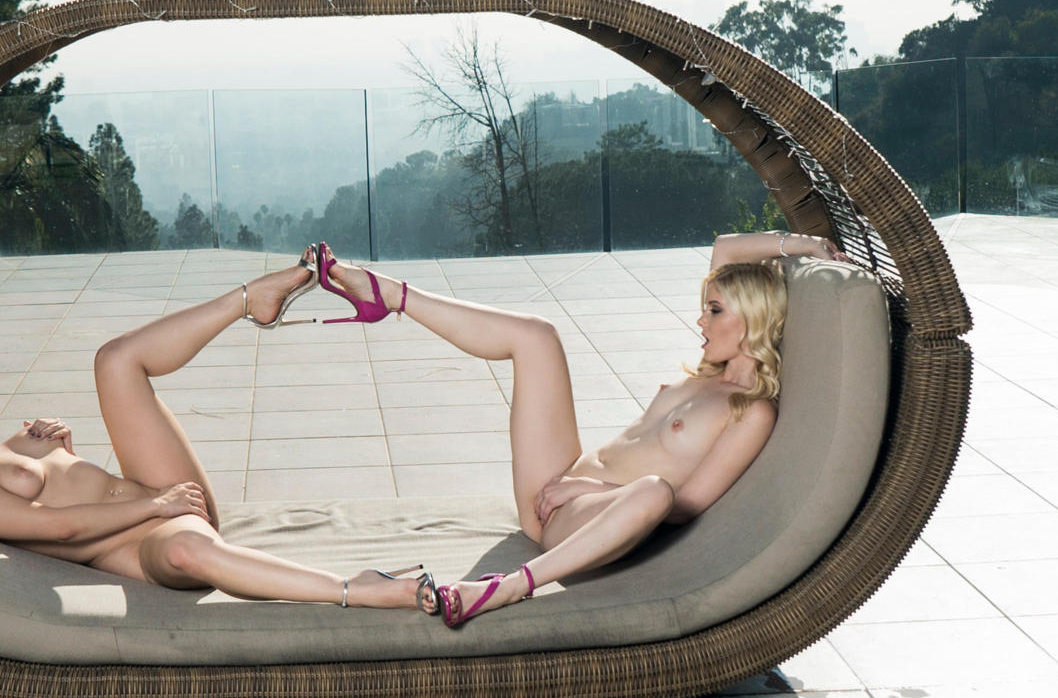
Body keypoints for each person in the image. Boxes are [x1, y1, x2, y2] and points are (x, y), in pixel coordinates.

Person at [309, 231, 847, 627]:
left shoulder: (751, 411)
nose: (699, 321)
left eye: (714, 311)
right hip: (561, 485)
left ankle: (506, 589)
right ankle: (390, 295)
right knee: (537, 336)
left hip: (590, 518)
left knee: (655, 491)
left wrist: (589, 489)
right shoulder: (710, 372)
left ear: (752, 320)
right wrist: (806, 246)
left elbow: (683, 505)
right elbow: (728, 248)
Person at [0, 247, 431, 610]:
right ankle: (354, 589)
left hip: (164, 496)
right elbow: (61, 530)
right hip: (147, 541)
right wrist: (156, 507)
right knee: (191, 551)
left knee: (114, 360)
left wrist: (64, 449)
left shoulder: (15, 442)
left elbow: (77, 487)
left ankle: (248, 300)